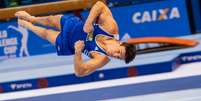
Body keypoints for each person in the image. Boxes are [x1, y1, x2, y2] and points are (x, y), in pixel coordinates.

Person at [15, 1, 136, 77]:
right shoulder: (111, 29)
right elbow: (100, 5)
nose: (114, 54)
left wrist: (78, 52)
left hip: (68, 43)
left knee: (47, 33)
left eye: (117, 57)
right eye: (118, 52)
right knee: (50, 19)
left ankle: (28, 26)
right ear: (121, 43)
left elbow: (80, 72)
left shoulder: (102, 58)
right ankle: (32, 18)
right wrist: (89, 22)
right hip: (74, 25)